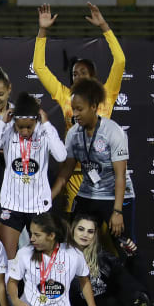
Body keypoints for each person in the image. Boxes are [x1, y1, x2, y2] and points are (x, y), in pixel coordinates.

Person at [34, 3, 125, 214]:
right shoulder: (66, 96)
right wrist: (43, 30)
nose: (77, 77)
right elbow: (39, 67)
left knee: (104, 236)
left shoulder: (106, 94)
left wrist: (104, 26)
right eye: (74, 73)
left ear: (93, 77)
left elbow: (120, 60)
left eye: (83, 73)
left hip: (104, 175)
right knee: (76, 234)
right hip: (74, 174)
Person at [0, 92, 66, 259]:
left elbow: (61, 156)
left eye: (29, 126)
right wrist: (1, 124)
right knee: (7, 257)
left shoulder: (44, 131)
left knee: (42, 257)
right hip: (11, 204)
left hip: (38, 205)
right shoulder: (7, 130)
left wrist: (47, 124)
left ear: (36, 120)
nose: (25, 131)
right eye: (21, 127)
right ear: (14, 121)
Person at [51, 78, 134, 242]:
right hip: (87, 194)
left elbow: (120, 175)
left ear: (94, 107)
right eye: (73, 109)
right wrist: (48, 198)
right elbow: (65, 172)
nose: (75, 114)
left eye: (79, 109)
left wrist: (117, 211)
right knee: (74, 244)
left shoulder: (113, 131)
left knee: (126, 248)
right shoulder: (74, 134)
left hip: (115, 198)